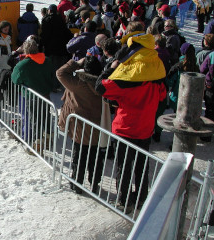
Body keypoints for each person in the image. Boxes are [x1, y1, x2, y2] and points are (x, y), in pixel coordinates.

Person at [95, 21, 167, 213]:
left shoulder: (125, 79)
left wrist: (112, 66)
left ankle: (124, 201)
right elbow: (162, 96)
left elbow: (100, 87)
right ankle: (141, 199)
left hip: (125, 129)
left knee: (123, 167)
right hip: (145, 128)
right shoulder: (155, 73)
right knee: (142, 166)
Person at [56, 55, 105, 194]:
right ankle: (94, 184)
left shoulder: (79, 84)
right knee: (94, 157)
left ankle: (76, 184)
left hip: (80, 128)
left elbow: (60, 73)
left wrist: (75, 62)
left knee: (79, 157)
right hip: (96, 126)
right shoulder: (102, 84)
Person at [11, 37, 54, 148]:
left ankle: (37, 144)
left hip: (32, 96)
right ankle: (48, 139)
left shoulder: (23, 65)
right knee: (46, 117)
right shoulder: (47, 60)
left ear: (25, 50)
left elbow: (15, 79)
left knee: (35, 120)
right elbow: (53, 77)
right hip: (45, 95)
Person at [40, 4, 73, 91]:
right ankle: (60, 85)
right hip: (61, 48)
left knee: (51, 67)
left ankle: (53, 86)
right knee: (60, 67)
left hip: (50, 48)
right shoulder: (61, 20)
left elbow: (44, 35)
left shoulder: (46, 20)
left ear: (49, 11)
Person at [166, 43, 199, 112]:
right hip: (191, 99)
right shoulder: (196, 68)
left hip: (178, 98)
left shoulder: (178, 67)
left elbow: (169, 82)